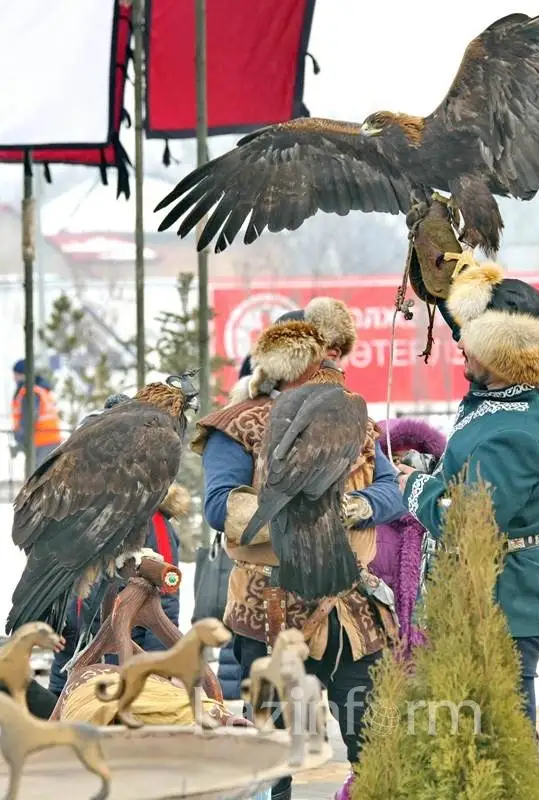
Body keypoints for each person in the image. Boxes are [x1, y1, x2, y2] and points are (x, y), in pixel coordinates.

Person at [191, 297, 405, 800]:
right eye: (319, 354)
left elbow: (391, 491)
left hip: (349, 614)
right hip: (269, 613)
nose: (329, 364)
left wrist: (353, 506)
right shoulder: (239, 423)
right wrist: (297, 514)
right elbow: (221, 506)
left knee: (375, 750)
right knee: (272, 763)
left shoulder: (348, 416)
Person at [397, 259, 539, 729]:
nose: (461, 344)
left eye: (472, 340)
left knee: (502, 739)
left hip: (502, 603)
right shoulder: (505, 398)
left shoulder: (515, 429)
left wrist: (411, 485)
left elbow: (467, 519)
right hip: (484, 596)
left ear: (500, 354)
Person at [48, 393, 186, 696]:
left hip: (127, 655)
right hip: (72, 651)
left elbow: (166, 595)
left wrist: (159, 663)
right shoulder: (70, 513)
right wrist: (49, 622)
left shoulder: (154, 519)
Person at [373, 418, 447, 658]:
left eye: (413, 458)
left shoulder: (441, 521)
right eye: (394, 460)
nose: (403, 468)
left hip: (435, 650)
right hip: (380, 645)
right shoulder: (371, 521)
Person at [11, 359, 63, 466]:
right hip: (49, 438)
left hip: (42, 440)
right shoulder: (40, 389)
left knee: (38, 476)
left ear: (23, 375)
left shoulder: (30, 392)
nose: (14, 378)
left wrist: (20, 439)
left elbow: (29, 418)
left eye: (16, 374)